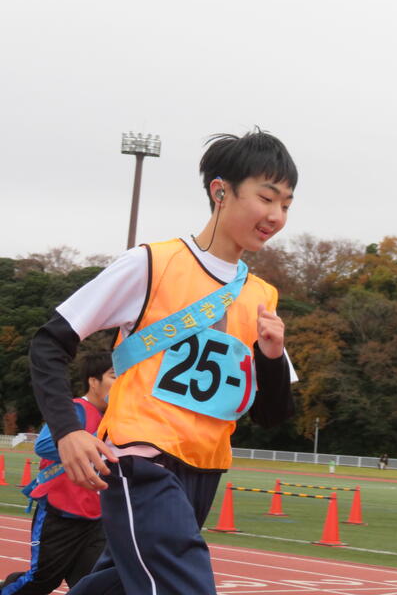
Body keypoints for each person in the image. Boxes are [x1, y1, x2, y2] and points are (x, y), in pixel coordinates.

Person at [28, 128, 297, 595]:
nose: (276, 216)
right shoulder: (152, 264)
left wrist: (272, 357)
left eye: (287, 205)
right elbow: (50, 342)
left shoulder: (260, 296)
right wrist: (68, 431)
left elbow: (272, 415)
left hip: (205, 469)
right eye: (267, 197)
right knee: (182, 584)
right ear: (220, 192)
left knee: (117, 584)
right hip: (141, 460)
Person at [1, 352, 115, 595]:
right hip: (61, 511)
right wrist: (93, 440)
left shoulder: (114, 419)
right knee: (42, 581)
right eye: (114, 376)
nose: (120, 384)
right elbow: (42, 445)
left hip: (96, 517)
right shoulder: (75, 410)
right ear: (94, 381)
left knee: (94, 583)